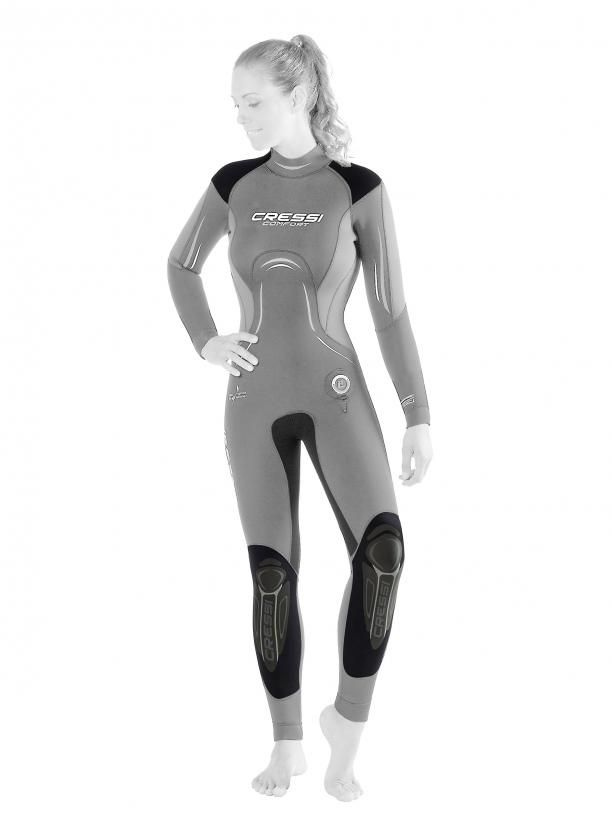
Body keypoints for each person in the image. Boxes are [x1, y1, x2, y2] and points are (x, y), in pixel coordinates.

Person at [167, 34, 433, 801]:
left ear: (299, 95)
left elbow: (390, 310)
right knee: (272, 577)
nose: (241, 116)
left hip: (337, 393)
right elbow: (180, 264)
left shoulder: (357, 188)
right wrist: (207, 340)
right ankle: (286, 743)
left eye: (253, 101)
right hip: (253, 403)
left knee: (383, 556)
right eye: (235, 104)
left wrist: (418, 413)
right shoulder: (232, 184)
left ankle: (345, 729)